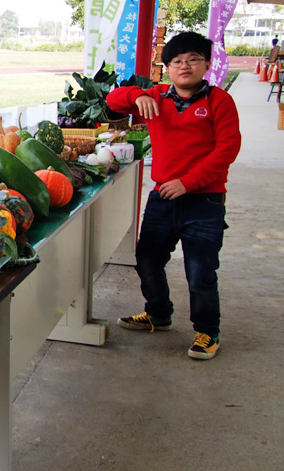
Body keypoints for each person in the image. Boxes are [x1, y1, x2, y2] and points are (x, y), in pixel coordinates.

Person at [107, 31, 241, 360]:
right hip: (163, 198)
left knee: (200, 272)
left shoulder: (219, 101)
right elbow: (112, 101)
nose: (185, 66)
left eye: (193, 59)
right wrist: (137, 95)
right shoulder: (157, 98)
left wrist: (188, 182)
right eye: (177, 61)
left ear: (206, 64)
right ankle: (159, 314)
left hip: (205, 200)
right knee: (148, 260)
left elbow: (227, 150)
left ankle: (208, 332)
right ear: (166, 68)